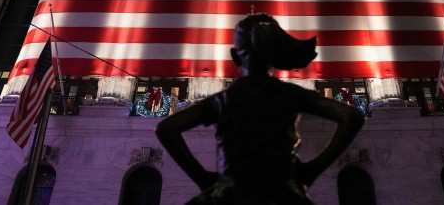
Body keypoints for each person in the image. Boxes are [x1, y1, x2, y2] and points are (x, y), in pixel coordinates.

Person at [156, 13, 365, 205]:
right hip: (282, 193)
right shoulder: (291, 94)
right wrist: (312, 170)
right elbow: (351, 116)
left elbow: (167, 128)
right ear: (274, 55)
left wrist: (201, 178)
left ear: (235, 56)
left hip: (230, 193)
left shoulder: (224, 99)